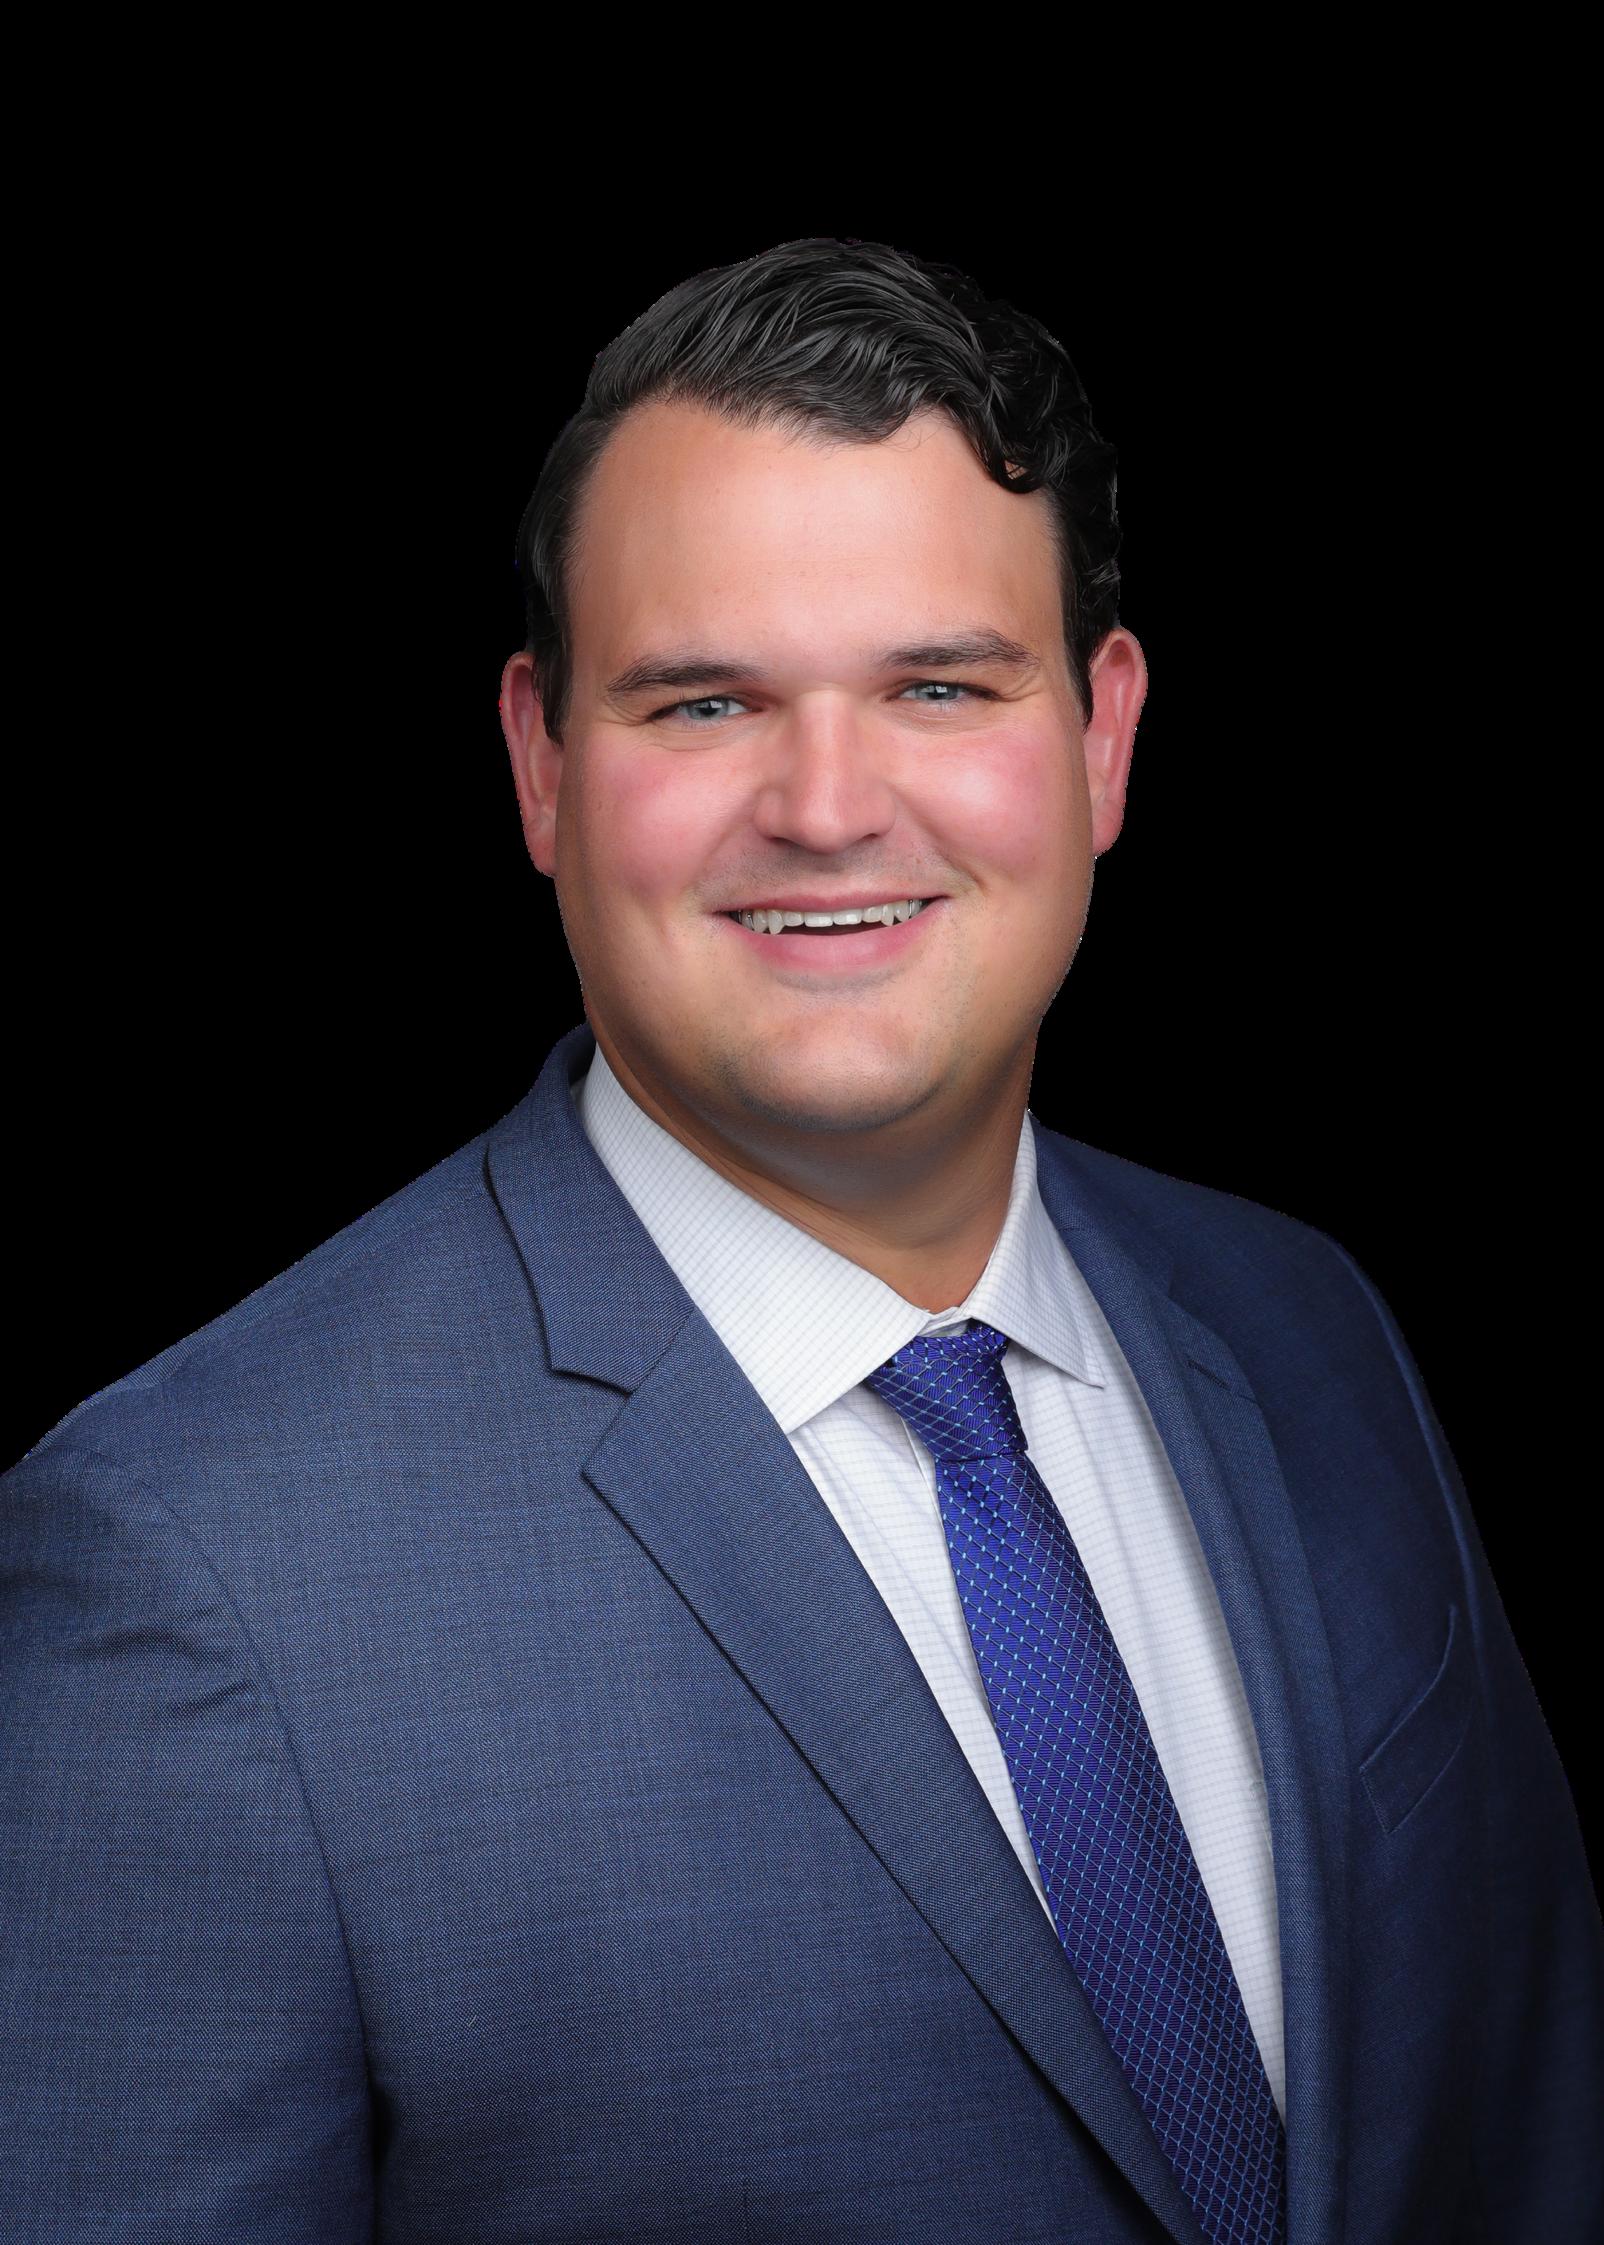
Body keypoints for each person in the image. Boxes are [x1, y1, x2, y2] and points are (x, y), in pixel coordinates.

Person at [2, 236, 1598, 2245]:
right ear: (542, 764)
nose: (829, 806)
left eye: (940, 685)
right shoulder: (193, 1569)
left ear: (1100, 737)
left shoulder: (1305, 1327)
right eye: (704, 701)